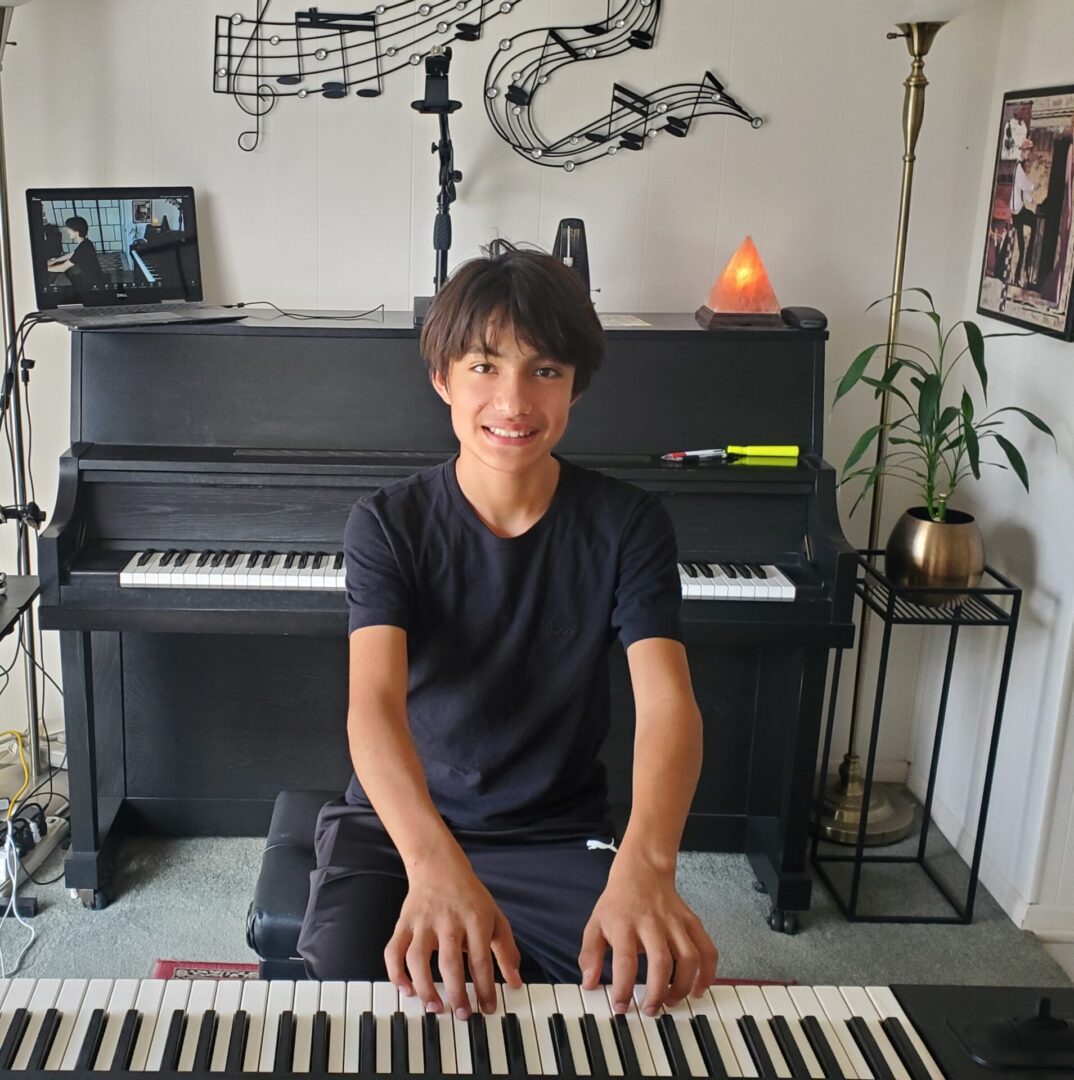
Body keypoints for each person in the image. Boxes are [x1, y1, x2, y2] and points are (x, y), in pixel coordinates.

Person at [297, 242, 718, 1020]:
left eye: (545, 370)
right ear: (442, 380)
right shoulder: (387, 525)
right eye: (485, 367)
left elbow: (668, 705)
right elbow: (374, 707)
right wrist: (432, 864)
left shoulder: (629, 524)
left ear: (576, 388)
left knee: (635, 996)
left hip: (552, 832)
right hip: (401, 827)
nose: (515, 400)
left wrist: (648, 864)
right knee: (353, 1002)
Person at [47, 215, 105, 289]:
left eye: (69, 229)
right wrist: (55, 260)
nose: (68, 231)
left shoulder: (82, 249)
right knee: (70, 274)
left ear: (76, 232)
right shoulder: (86, 243)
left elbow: (63, 268)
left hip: (92, 281)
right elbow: (72, 254)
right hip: (95, 275)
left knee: (67, 278)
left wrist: (45, 268)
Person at [1011, 138, 1038, 288]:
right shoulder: (1018, 168)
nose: (1028, 156)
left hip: (1019, 210)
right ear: (1023, 151)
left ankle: (1020, 274)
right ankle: (1021, 273)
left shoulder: (1018, 168)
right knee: (1022, 246)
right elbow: (1026, 186)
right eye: (1027, 152)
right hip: (1017, 212)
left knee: (1033, 222)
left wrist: (1031, 199)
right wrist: (1034, 187)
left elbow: (1021, 190)